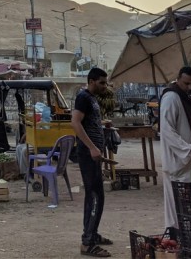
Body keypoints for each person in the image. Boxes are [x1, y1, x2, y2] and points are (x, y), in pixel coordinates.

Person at [159, 66, 191, 234]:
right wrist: (189, 150)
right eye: (186, 83)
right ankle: (175, 234)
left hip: (190, 163)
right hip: (177, 162)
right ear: (178, 79)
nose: (190, 87)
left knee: (190, 204)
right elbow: (166, 130)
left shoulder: (188, 95)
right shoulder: (171, 98)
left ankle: (189, 235)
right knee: (175, 206)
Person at [71, 67, 113, 257]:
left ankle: (92, 234)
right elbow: (76, 123)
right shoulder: (83, 97)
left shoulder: (91, 99)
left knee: (96, 195)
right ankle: (87, 243)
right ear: (91, 81)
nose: (105, 86)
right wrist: (92, 147)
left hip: (93, 154)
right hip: (88, 154)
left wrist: (101, 124)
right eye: (102, 82)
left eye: (106, 82)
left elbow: (87, 121)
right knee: (95, 196)